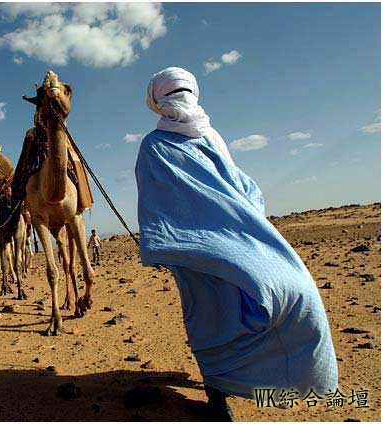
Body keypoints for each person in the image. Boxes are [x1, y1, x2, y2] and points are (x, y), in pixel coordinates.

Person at [135, 67, 338, 421]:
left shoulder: (181, 141)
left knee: (211, 317)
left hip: (210, 247)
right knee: (218, 315)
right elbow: (240, 188)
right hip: (202, 248)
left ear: (154, 100)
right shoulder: (171, 143)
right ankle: (218, 395)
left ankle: (228, 387)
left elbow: (229, 187)